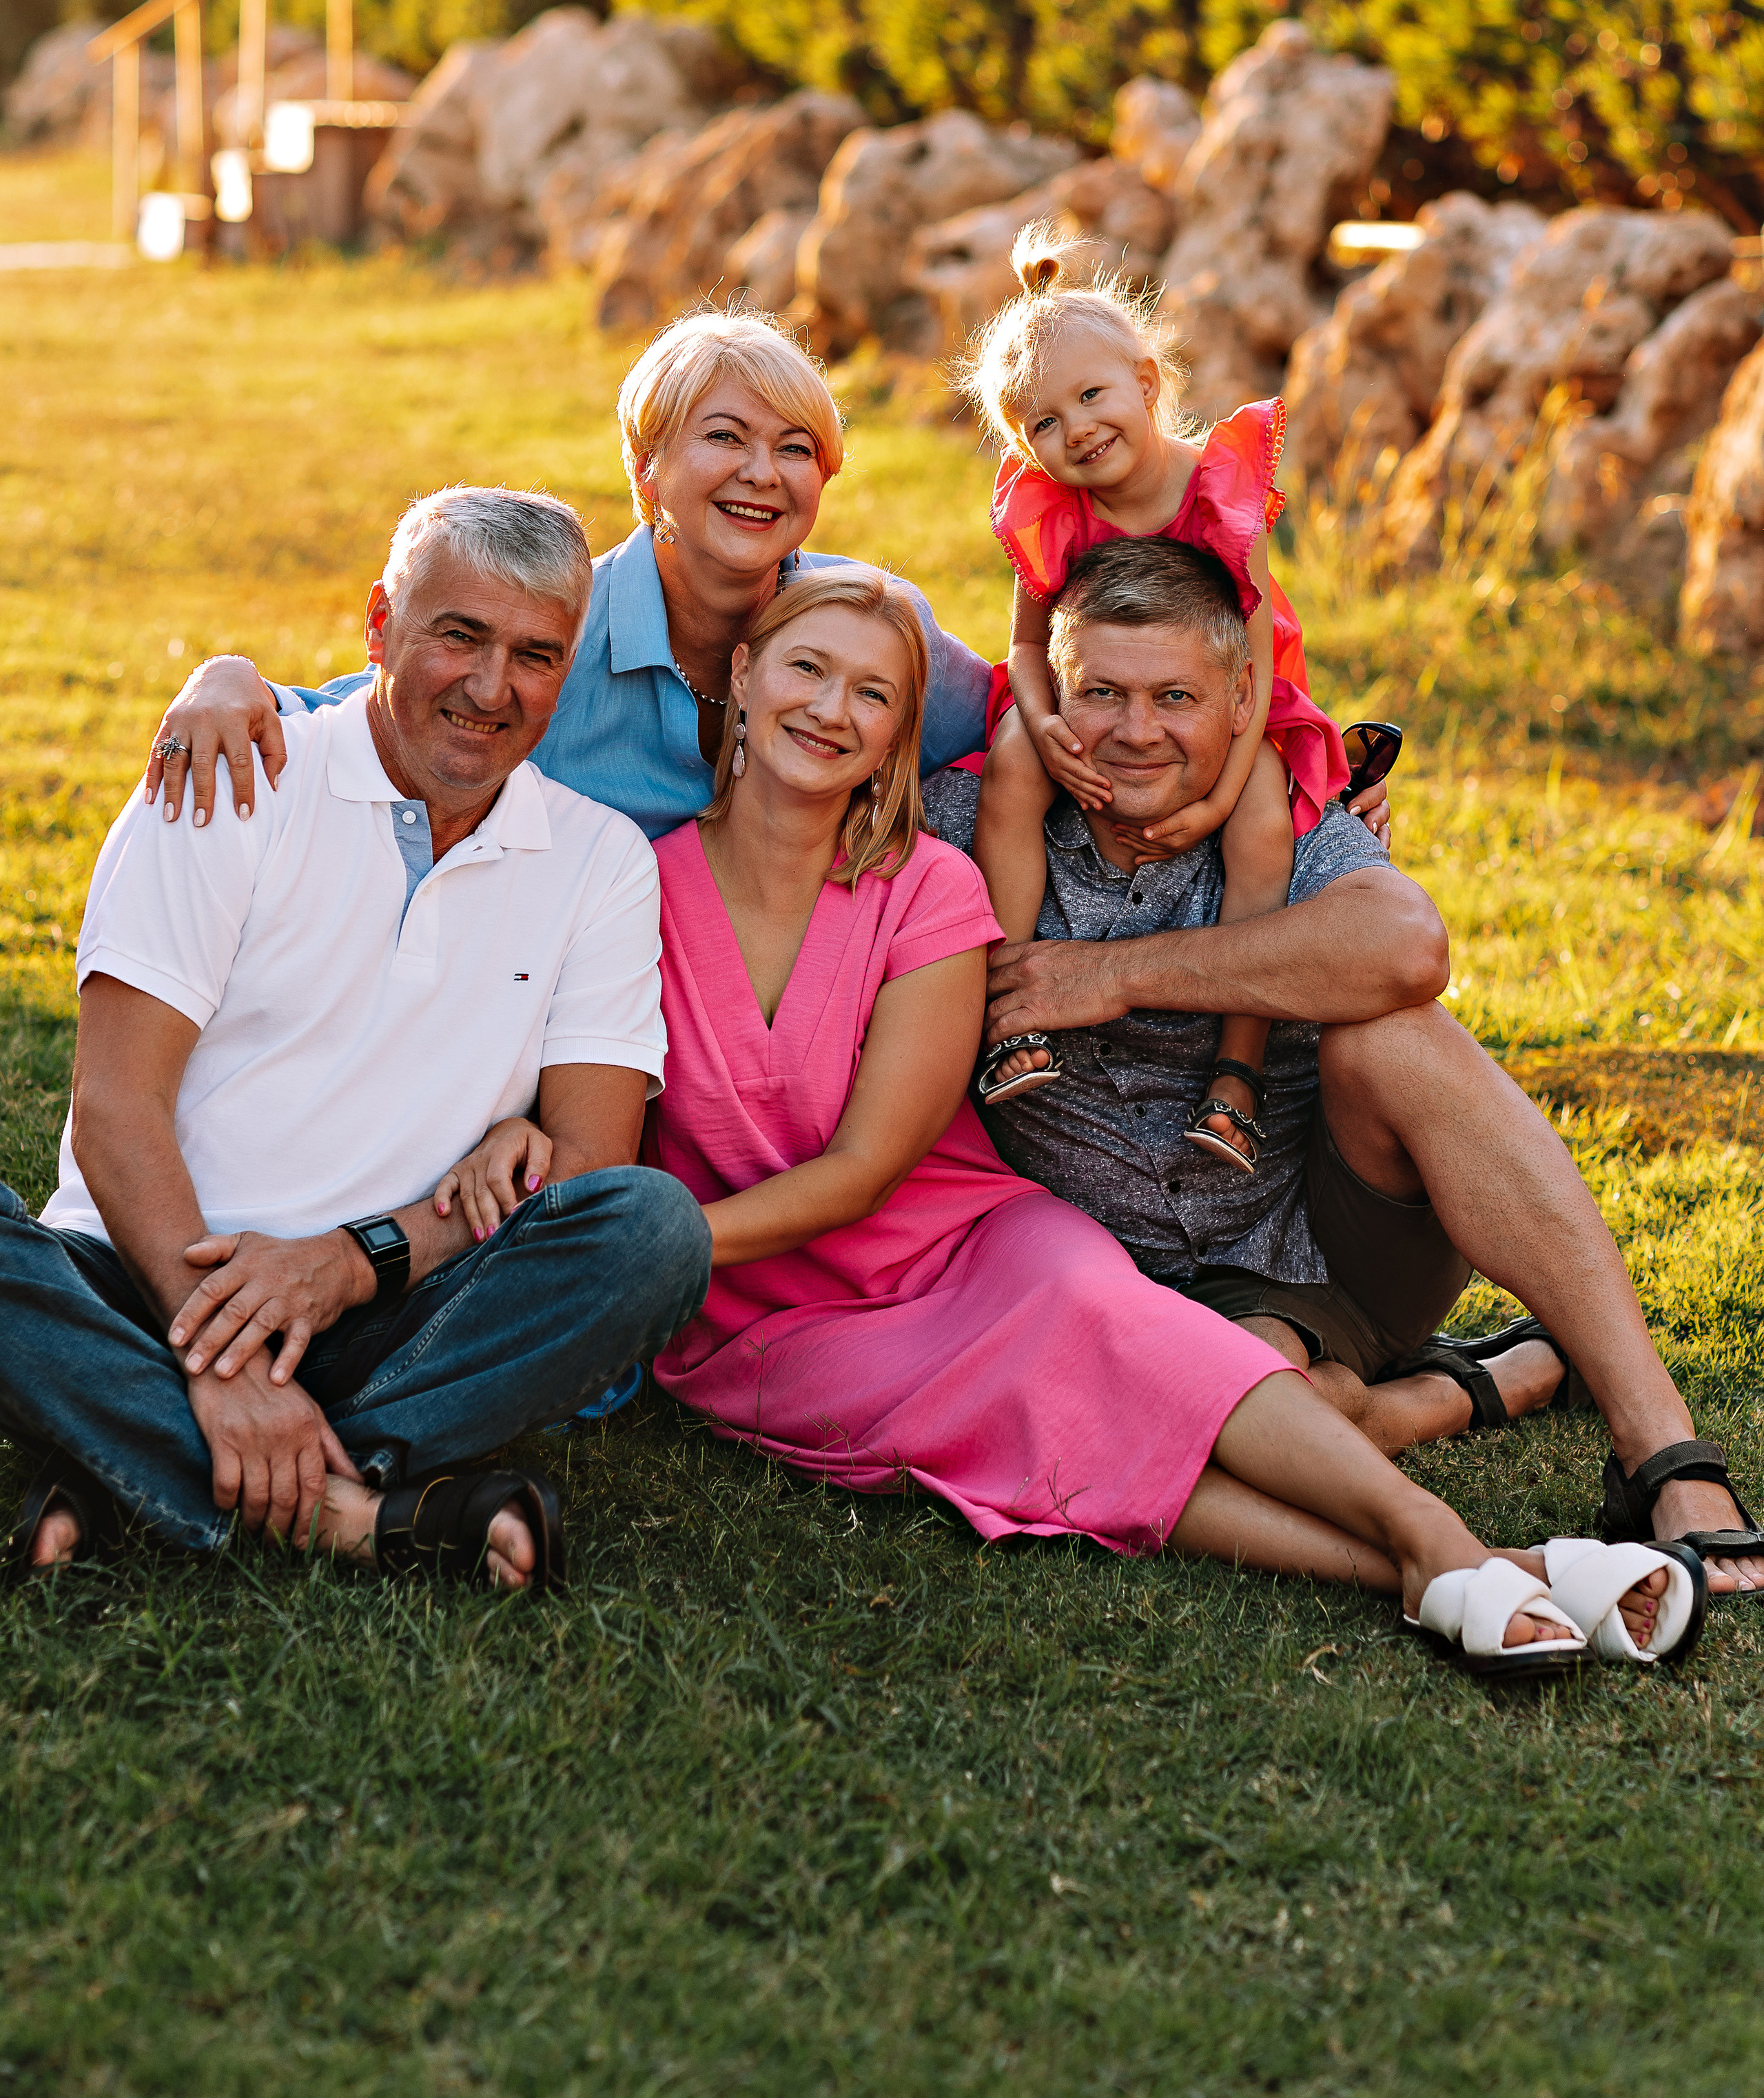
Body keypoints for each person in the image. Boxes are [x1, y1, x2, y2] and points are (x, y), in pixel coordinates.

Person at [443, 564, 1692, 1670]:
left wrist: (644, 1249)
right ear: (748, 675)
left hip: (976, 1235)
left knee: (1106, 1323)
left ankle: (1469, 1530)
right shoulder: (632, 882)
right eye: (808, 671)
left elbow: (877, 1169)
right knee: (1048, 1419)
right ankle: (1474, 1560)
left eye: (873, 695)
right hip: (766, 1312)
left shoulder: (931, 880)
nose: (832, 711)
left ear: (901, 738)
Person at [924, 533, 1764, 1599]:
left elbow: (1409, 945)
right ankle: (1464, 1390)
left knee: (1393, 1027)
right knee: (1251, 1421)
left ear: (1241, 702)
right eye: (1100, 693)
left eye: (1175, 696)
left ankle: (1661, 1448)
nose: (1135, 734)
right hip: (1122, 1294)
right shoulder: (965, 827)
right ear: (1048, 693)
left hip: (1330, 1245)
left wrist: (1115, 976)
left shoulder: (1290, 817)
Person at [0, 488, 710, 1590]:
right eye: (459, 636)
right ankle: (354, 1509)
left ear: (566, 671)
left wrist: (352, 1262)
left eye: (534, 654)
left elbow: (588, 1166)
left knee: (652, 1232)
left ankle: (121, 1447)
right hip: (137, 1270)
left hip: (392, 1307)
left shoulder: (603, 863)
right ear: (379, 624)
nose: (490, 689)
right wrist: (222, 1353)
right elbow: (113, 1108)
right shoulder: (232, 776)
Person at [140, 312, 990, 842]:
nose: (762, 473)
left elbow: (1011, 723)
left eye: (794, 448)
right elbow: (373, 709)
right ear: (647, 469)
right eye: (725, 437)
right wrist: (225, 678)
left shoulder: (881, 625)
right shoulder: (558, 629)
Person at [953, 230, 1351, 1172]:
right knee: (1011, 761)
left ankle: (1238, 1070)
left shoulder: (1217, 487)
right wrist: (1045, 725)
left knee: (1259, 817)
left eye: (1091, 397)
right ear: (1023, 446)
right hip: (1088, 695)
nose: (1076, 431)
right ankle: (1010, 1012)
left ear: (1145, 381)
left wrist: (1216, 798)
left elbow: (1254, 660)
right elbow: (1023, 638)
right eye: (1042, 424)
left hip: (1231, 699)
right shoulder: (1052, 504)